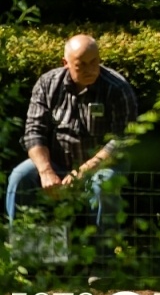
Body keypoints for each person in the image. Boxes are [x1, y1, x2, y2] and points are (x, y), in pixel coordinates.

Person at [7, 35, 137, 228]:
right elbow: (34, 132)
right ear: (65, 63)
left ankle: (103, 255)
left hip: (103, 166)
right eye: (81, 65)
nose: (90, 69)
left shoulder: (117, 88)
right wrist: (45, 171)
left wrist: (82, 172)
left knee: (104, 185)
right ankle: (23, 250)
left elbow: (121, 140)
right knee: (19, 177)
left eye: (94, 62)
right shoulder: (47, 84)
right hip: (56, 163)